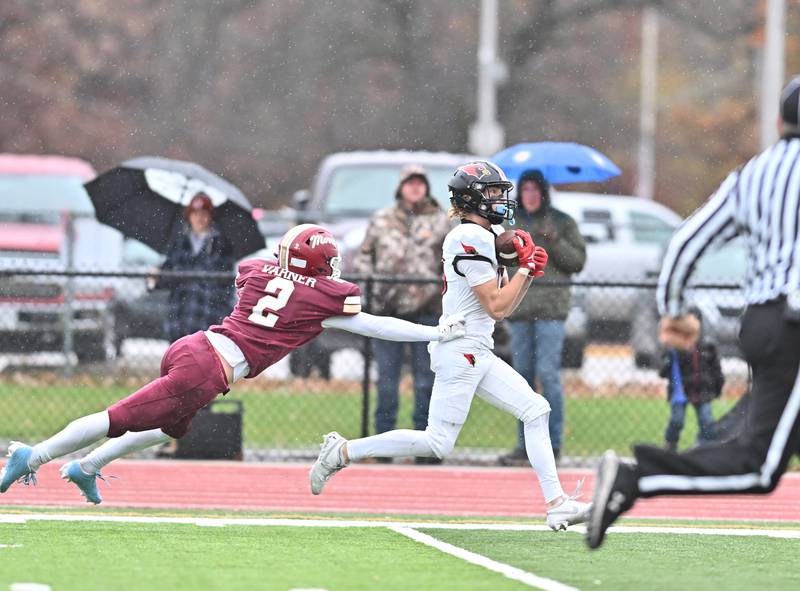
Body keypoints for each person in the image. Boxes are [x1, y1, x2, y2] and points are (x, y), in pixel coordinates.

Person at [0, 224, 466, 504]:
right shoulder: (322, 296)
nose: (334, 269)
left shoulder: (261, 270)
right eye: (329, 261)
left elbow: (263, 285)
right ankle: (33, 455)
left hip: (195, 345)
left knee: (170, 429)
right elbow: (376, 326)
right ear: (317, 262)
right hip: (208, 370)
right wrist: (433, 332)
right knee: (116, 418)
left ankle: (88, 467)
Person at [310, 161, 592, 531]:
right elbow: (497, 304)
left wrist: (524, 270)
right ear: (472, 197)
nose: (499, 199)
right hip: (461, 349)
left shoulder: (485, 236)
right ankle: (343, 451)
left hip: (476, 348)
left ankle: (557, 504)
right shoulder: (468, 238)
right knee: (437, 442)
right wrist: (525, 270)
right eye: (491, 192)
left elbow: (501, 308)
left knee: (536, 410)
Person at [586, 75, 800, 550]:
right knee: (760, 466)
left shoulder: (756, 174)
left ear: (781, 120)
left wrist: (674, 310)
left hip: (766, 324)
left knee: (756, 444)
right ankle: (634, 480)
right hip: (794, 326)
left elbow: (684, 244)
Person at [354, 164, 451, 463]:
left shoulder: (442, 221)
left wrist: (442, 293)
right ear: (401, 187)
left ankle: (426, 447)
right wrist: (371, 294)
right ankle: (381, 447)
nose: (415, 187)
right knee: (387, 381)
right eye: (410, 182)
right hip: (389, 312)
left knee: (427, 381)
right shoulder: (381, 220)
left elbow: (451, 262)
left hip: (428, 312)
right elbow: (363, 259)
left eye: (420, 182)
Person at [498, 170, 586, 466]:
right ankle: (524, 446)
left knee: (548, 376)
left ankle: (554, 444)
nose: (530, 194)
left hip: (551, 311)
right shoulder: (512, 224)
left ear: (544, 192)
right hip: (520, 310)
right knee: (521, 379)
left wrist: (555, 240)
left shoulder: (562, 222)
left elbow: (577, 262)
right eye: (525, 189)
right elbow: (500, 257)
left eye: (535, 189)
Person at [154, 193, 235, 343]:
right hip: (179, 316)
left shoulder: (221, 245)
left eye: (204, 213)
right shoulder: (179, 243)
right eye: (195, 213)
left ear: (211, 217)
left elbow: (223, 282)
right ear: (189, 216)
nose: (200, 218)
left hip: (208, 316)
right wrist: (156, 277)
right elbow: (167, 277)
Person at [659, 311, 724, 452]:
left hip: (702, 390)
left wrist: (718, 387)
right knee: (677, 420)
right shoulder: (674, 349)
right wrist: (667, 359)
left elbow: (716, 370)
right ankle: (670, 444)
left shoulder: (708, 347)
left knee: (706, 421)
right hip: (680, 391)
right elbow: (663, 373)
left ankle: (706, 447)